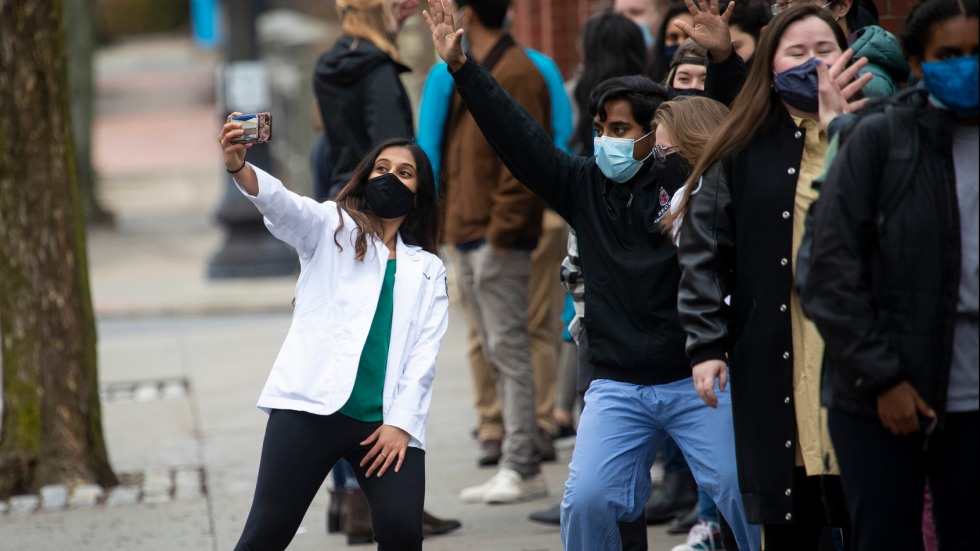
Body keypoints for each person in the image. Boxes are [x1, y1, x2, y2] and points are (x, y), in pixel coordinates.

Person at [423, 3, 761, 550]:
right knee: (585, 503)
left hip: (697, 379)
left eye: (622, 129)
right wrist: (463, 68)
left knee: (742, 493)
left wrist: (723, 58)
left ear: (658, 132)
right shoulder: (582, 185)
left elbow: (733, 129)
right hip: (617, 385)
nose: (607, 140)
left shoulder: (691, 179)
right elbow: (518, 139)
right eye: (601, 128)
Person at [673, 4, 872, 549]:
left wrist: (844, 128)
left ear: (849, 56)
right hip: (773, 354)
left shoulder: (882, 133)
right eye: (797, 53)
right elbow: (704, 250)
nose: (813, 64)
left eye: (825, 50)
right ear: (771, 64)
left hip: (860, 354)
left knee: (873, 511)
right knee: (792, 520)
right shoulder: (742, 146)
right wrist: (707, 343)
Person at [800, 0, 979, 548]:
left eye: (976, 54)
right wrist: (883, 379)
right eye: (949, 55)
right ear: (919, 65)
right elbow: (826, 270)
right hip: (880, 398)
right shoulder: (877, 137)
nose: (965, 66)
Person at [219, 125, 449, 551]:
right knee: (265, 533)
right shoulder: (332, 227)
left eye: (404, 173)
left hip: (383, 425)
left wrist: (401, 424)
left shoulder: (429, 269)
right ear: (365, 178)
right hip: (308, 410)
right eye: (382, 168)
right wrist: (239, 167)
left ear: (419, 193)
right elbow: (284, 206)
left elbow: (423, 358)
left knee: (403, 532)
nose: (390, 177)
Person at [429, 0, 553, 505]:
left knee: (509, 350)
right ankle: (515, 460)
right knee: (496, 350)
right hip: (471, 233)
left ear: (468, 14)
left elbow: (525, 159)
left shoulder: (519, 70)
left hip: (495, 238)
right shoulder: (474, 68)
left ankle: (522, 465)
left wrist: (499, 234)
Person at [313, 0, 416, 200]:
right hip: (377, 208)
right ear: (382, 12)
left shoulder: (328, 68)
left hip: (343, 198)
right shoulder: (379, 71)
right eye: (393, 7)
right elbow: (392, 151)